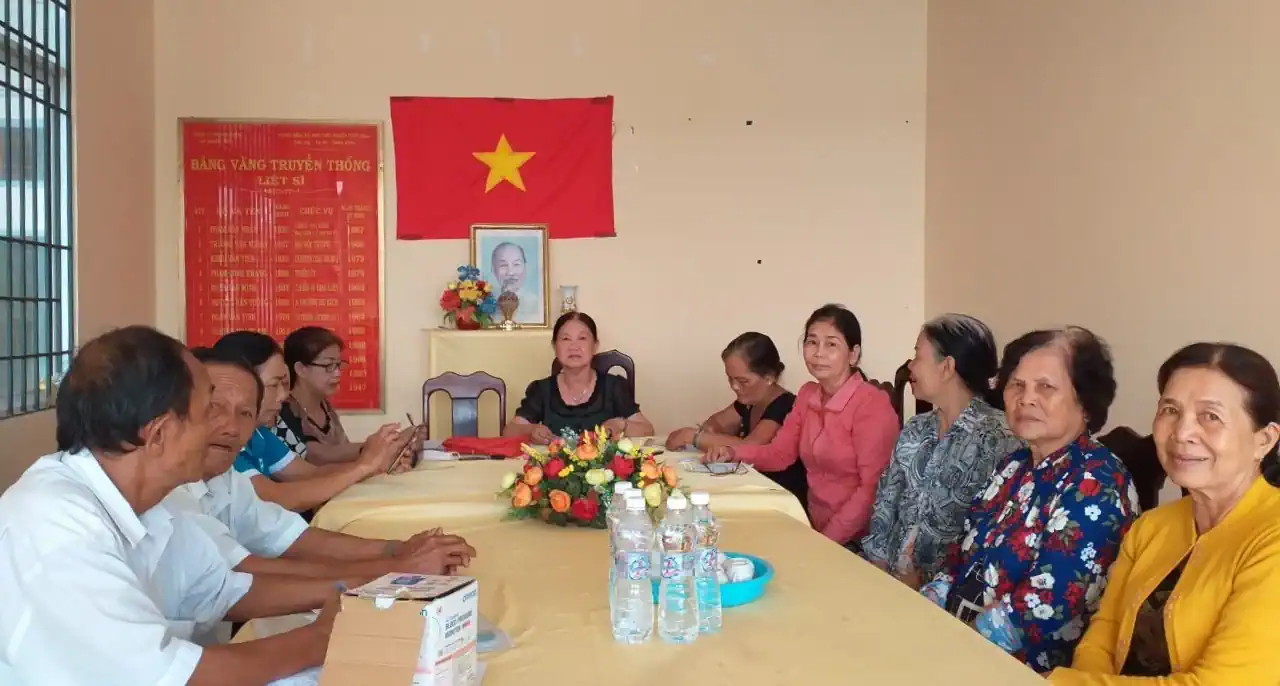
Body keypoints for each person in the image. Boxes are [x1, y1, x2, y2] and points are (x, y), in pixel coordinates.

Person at [0, 326, 337, 685]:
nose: (225, 429)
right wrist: (321, 637)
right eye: (208, 411)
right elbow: (179, 675)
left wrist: (354, 592)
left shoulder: (150, 500)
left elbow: (220, 591)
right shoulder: (58, 529)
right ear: (159, 434)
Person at [1050, 343, 1280, 684]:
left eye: (1211, 416)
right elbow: (1102, 636)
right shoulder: (1152, 527)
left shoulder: (1271, 538)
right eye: (1170, 410)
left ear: (1264, 440)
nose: (1182, 433)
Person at [921, 327, 1139, 674]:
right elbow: (964, 554)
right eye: (1017, 385)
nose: (1026, 399)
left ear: (1085, 401)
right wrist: (928, 602)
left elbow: (1046, 607)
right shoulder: (1014, 465)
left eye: (1046, 387)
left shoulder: (1098, 483)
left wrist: (951, 646)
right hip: (958, 642)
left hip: (1024, 668)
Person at [167, 347, 475, 582]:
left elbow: (290, 537)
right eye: (213, 408)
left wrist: (398, 549)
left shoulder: (228, 475)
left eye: (245, 412)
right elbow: (242, 574)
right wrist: (395, 566)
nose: (231, 427)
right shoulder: (170, 493)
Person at [704, 304, 900, 547]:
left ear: (853, 354)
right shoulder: (808, 395)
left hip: (862, 539)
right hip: (813, 525)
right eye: (812, 342)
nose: (818, 353)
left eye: (831, 344)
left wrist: (825, 541)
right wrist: (732, 453)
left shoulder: (871, 404)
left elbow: (872, 489)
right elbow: (779, 454)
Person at [862, 314, 1023, 588]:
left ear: (946, 367)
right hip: (885, 578)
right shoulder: (916, 429)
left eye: (918, 355)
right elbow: (886, 502)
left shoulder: (999, 439)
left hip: (945, 594)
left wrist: (925, 585)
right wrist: (877, 567)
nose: (910, 365)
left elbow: (989, 540)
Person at [213, 331, 412, 512]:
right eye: (275, 385)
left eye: (285, 384)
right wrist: (365, 464)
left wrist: (376, 466)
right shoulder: (222, 441)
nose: (283, 395)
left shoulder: (259, 434)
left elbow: (311, 474)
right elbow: (278, 498)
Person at [665, 332, 808, 508]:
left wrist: (695, 437)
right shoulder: (749, 401)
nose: (734, 386)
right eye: (730, 378)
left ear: (769, 377)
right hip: (752, 490)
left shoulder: (785, 406)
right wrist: (712, 437)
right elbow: (714, 424)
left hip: (782, 499)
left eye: (743, 381)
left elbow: (752, 447)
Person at [504, 312, 655, 441]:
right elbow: (509, 432)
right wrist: (530, 430)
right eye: (566, 339)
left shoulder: (614, 386)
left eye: (582, 338)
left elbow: (647, 430)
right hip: (555, 466)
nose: (574, 346)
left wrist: (621, 425)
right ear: (555, 347)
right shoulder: (541, 390)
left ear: (595, 346)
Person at [279, 326, 415, 466]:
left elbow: (343, 454)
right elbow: (317, 455)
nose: (337, 373)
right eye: (329, 366)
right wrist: (375, 446)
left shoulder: (325, 406)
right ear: (301, 369)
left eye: (338, 365)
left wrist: (391, 453)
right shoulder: (283, 410)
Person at [490, 241, 542, 324]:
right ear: (493, 269)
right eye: (503, 265)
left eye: (516, 264)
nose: (510, 272)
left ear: (525, 267)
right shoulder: (486, 302)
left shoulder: (535, 302)